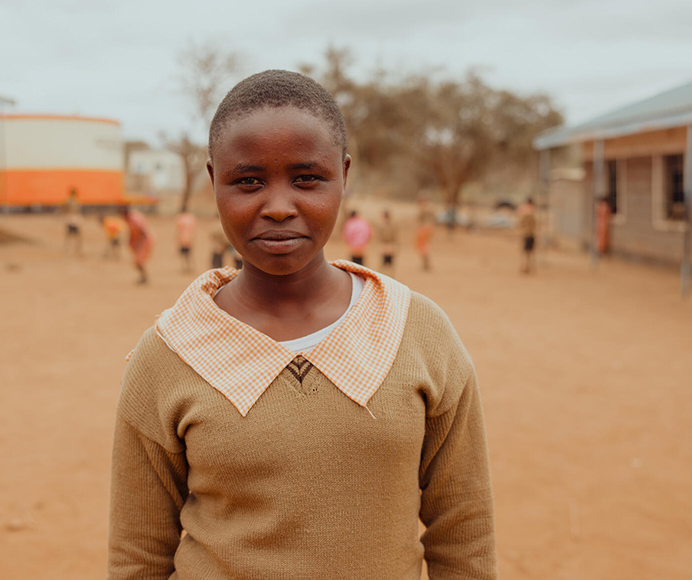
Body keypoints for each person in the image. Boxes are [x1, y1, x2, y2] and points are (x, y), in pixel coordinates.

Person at [108, 70, 497, 580]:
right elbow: (138, 555)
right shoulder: (171, 351)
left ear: (344, 174)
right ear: (213, 182)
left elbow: (463, 532)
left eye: (307, 179)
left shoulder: (417, 332)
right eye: (247, 181)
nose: (278, 206)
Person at [121, 205, 154, 285]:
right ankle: (143, 277)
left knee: (138, 261)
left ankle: (144, 278)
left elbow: (142, 231)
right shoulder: (129, 219)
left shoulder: (134, 219)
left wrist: (139, 243)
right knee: (137, 261)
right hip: (140, 241)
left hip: (144, 241)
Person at [415, 193, 435, 272]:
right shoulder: (429, 208)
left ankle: (425, 264)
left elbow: (420, 220)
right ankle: (425, 264)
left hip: (424, 229)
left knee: (423, 247)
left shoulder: (424, 208)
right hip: (427, 229)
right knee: (425, 247)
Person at [174, 208, 197, 273]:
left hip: (182, 239)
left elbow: (178, 230)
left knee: (183, 255)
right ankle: (190, 267)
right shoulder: (191, 218)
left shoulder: (180, 218)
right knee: (189, 255)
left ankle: (184, 268)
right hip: (189, 238)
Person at [376, 208, 398, 275]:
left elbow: (394, 237)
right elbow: (380, 237)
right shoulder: (382, 225)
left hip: (389, 245)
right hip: (385, 245)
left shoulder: (392, 225)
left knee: (390, 263)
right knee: (383, 263)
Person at [519, 198, 537, 274]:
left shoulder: (529, 212)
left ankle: (527, 266)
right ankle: (526, 266)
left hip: (529, 234)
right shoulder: (529, 213)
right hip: (528, 234)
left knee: (528, 252)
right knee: (527, 252)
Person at [63, 188, 83, 255]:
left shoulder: (69, 201)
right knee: (76, 235)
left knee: (69, 234)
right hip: (74, 219)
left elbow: (65, 209)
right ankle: (75, 248)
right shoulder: (75, 201)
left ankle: (68, 248)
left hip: (70, 218)